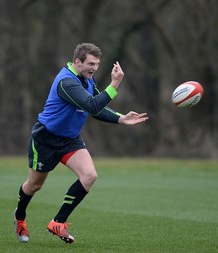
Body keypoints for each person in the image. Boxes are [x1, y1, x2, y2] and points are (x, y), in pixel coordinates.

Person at [14, 43, 148, 244]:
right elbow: (92, 105)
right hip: (45, 140)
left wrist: (121, 118)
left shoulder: (87, 79)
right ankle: (20, 216)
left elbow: (95, 106)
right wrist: (114, 84)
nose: (94, 68)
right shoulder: (66, 82)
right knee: (34, 185)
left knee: (89, 175)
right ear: (77, 61)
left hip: (70, 140)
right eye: (90, 64)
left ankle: (58, 222)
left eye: (97, 64)